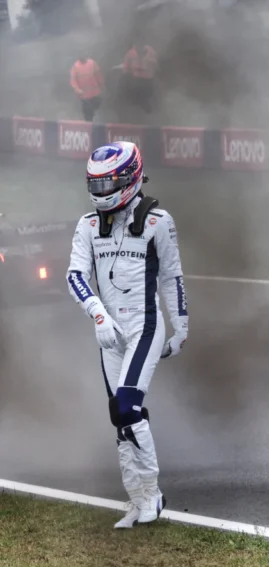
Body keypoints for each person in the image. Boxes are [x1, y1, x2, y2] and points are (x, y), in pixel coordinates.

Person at [66, 141, 188, 529]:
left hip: (145, 327)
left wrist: (181, 326)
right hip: (110, 332)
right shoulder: (86, 225)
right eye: (96, 185)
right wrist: (97, 314)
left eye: (109, 184)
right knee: (118, 417)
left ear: (131, 178)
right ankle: (136, 501)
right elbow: (74, 276)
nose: (102, 194)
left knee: (127, 408)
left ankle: (153, 496)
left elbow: (172, 277)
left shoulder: (158, 221)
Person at [122, 43, 158, 113]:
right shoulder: (131, 53)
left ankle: (145, 104)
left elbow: (155, 64)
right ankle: (135, 104)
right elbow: (126, 64)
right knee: (135, 91)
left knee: (147, 93)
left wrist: (148, 63)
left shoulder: (151, 53)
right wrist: (126, 73)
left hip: (147, 77)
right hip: (136, 77)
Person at [70, 56, 105, 122]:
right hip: (84, 95)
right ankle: (88, 123)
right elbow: (73, 80)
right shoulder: (75, 66)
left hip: (95, 93)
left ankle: (92, 119)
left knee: (96, 105)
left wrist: (102, 85)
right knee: (88, 110)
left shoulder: (92, 63)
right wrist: (77, 89)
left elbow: (98, 75)